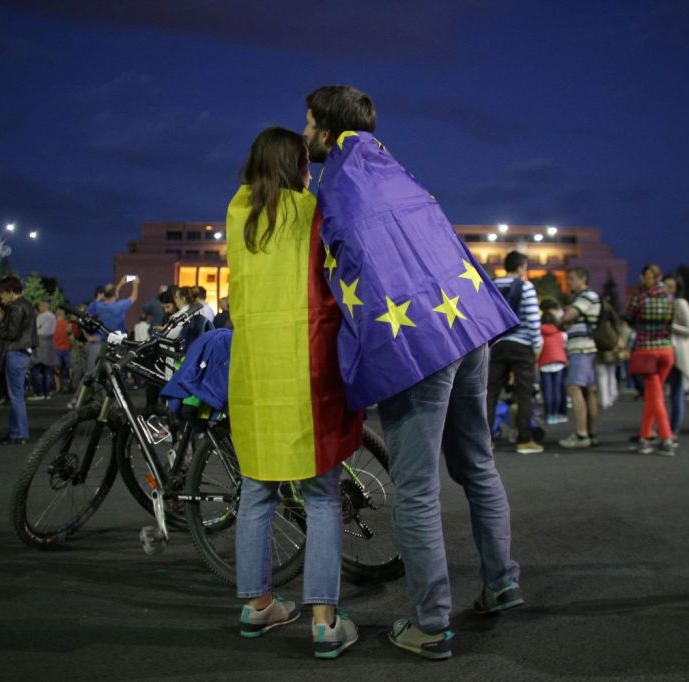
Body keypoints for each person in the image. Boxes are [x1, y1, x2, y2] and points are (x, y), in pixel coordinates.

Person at [305, 85, 521, 660]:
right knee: (477, 464)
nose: (304, 136)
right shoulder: (395, 173)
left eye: (307, 124)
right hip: (465, 323)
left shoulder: (337, 187)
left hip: (414, 343)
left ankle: (430, 624)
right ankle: (502, 582)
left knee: (417, 489)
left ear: (326, 129)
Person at [226, 126, 363, 658]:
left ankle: (258, 605)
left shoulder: (239, 214)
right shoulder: (312, 212)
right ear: (298, 166)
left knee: (256, 490)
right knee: (322, 493)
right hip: (308, 366)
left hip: (255, 369)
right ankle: (325, 622)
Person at [486, 251, 542, 453]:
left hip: (498, 345)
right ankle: (524, 439)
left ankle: (486, 440)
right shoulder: (525, 286)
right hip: (522, 345)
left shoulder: (491, 284)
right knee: (523, 393)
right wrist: (536, 345)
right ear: (521, 267)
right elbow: (533, 320)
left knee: (491, 392)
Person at [626, 264, 675, 455]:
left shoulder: (640, 297)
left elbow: (630, 318)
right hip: (666, 350)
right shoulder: (669, 297)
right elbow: (670, 322)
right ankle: (645, 436)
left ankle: (666, 438)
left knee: (655, 398)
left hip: (647, 351)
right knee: (653, 396)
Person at [0, 277, 36, 444]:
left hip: (15, 351)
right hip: (23, 352)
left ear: (11, 291)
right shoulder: (27, 305)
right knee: (16, 395)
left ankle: (19, 433)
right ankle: (15, 432)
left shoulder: (16, 307)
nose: (1, 297)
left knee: (15, 396)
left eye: (3, 293)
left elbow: (12, 333)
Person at [558, 267, 601, 448]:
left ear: (583, 279)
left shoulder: (586, 296)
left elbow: (567, 317)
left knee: (574, 388)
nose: (569, 282)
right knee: (588, 391)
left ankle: (581, 434)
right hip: (588, 348)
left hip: (581, 348)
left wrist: (563, 317)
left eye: (572, 278)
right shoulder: (586, 297)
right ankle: (591, 433)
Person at [663, 274, 689, 440]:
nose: (666, 290)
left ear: (677, 289)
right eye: (664, 285)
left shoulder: (679, 303)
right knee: (661, 392)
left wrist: (671, 326)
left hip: (677, 352)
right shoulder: (662, 303)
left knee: (676, 392)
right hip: (663, 350)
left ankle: (673, 429)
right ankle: (662, 428)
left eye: (670, 287)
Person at [86, 277, 139, 373]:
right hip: (119, 344)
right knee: (117, 369)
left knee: (102, 370)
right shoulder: (118, 307)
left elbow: (90, 309)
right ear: (115, 294)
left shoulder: (99, 306)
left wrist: (119, 285)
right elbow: (133, 297)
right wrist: (135, 284)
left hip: (104, 343)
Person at [539, 307, 568, 425]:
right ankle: (557, 413)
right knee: (558, 390)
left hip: (544, 363)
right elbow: (564, 346)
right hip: (559, 362)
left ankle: (550, 415)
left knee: (547, 390)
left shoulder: (540, 333)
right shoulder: (560, 333)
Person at [30, 300, 56, 401]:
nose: (39, 307)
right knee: (47, 370)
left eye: (41, 305)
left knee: (35, 368)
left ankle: (38, 392)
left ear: (45, 306)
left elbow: (35, 329)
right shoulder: (53, 316)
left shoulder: (42, 316)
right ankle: (47, 393)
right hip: (50, 344)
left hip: (40, 344)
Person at [52, 307, 74, 393]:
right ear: (62, 315)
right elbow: (71, 337)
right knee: (69, 368)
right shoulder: (67, 324)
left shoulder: (53, 325)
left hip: (56, 349)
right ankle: (70, 385)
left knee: (56, 369)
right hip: (67, 349)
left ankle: (58, 388)